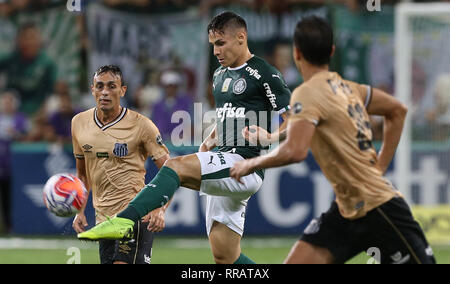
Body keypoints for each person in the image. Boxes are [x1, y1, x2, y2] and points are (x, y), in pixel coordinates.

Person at [78, 12, 292, 264]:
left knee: (175, 167)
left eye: (221, 43)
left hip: (245, 165)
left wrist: (269, 137)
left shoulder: (264, 73)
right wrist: (211, 138)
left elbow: (297, 122)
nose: (216, 52)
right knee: (225, 257)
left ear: (241, 37)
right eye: (213, 45)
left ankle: (123, 220)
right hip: (224, 161)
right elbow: (228, 117)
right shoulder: (220, 76)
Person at [230, 16, 436, 264]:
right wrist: (273, 136)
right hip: (346, 210)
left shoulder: (306, 93)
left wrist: (250, 164)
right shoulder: (350, 89)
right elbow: (398, 111)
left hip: (380, 208)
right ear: (332, 51)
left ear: (297, 53)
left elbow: (296, 151)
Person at [71, 65, 171, 264]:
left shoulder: (141, 125)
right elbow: (83, 174)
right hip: (104, 221)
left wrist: (160, 208)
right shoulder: (79, 123)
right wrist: (79, 210)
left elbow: (171, 169)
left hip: (135, 215)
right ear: (92, 90)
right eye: (99, 86)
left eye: (111, 86)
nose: (105, 92)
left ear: (122, 90)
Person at [0, 22, 57, 116]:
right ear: (18, 40)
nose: (29, 42)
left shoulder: (47, 63)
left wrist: (42, 113)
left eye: (32, 38)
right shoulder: (11, 58)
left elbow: (52, 93)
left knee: (54, 104)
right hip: (11, 110)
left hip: (38, 109)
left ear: (39, 40)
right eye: (25, 38)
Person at [0, 90, 27, 232]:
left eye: (9, 101)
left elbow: (27, 137)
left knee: (9, 196)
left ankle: (10, 225)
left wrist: (15, 134)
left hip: (13, 164)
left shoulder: (20, 119)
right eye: (4, 101)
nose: (6, 104)